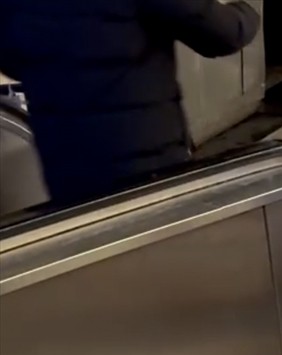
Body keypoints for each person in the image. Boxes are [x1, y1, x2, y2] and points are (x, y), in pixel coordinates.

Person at [0, 0, 260, 206]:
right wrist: (248, 10)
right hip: (148, 165)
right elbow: (225, 33)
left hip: (66, 165)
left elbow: (12, 58)